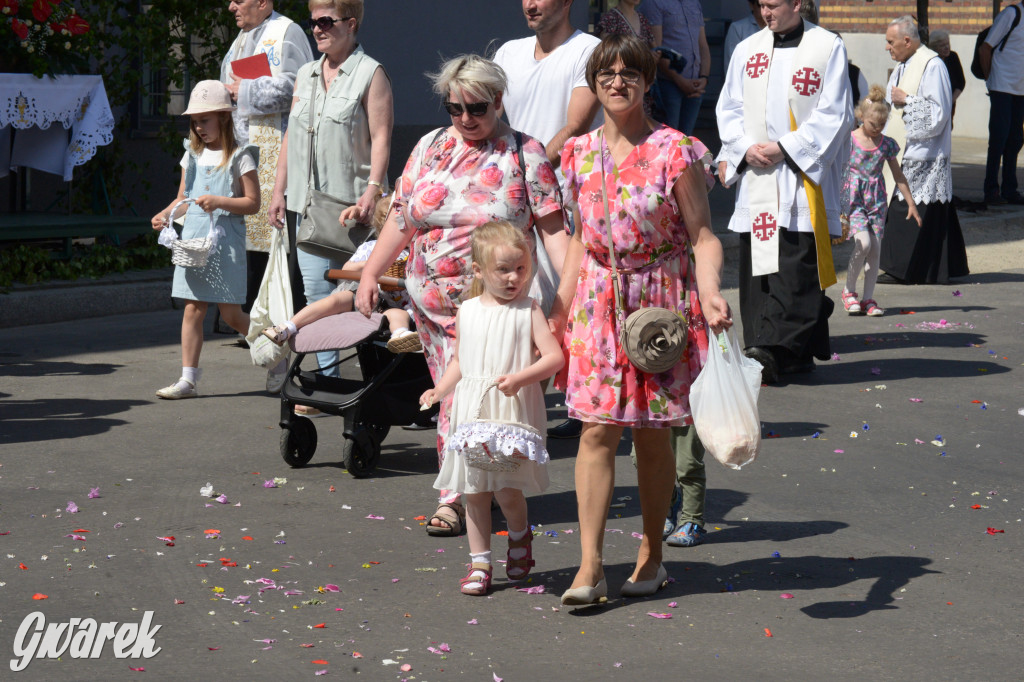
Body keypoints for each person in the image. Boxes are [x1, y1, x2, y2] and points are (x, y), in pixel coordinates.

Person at [354, 55, 568, 538]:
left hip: (500, 306)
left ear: (498, 101)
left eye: (476, 108)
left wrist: (563, 304)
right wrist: (371, 272)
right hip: (433, 305)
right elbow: (402, 218)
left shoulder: (523, 152)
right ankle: (478, 488)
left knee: (471, 397)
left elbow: (556, 233)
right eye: (454, 108)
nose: (465, 119)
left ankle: (458, 496)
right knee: (464, 396)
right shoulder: (430, 145)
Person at [550, 34, 731, 605]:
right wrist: (560, 306)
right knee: (597, 429)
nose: (618, 81)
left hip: (659, 305)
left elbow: (702, 236)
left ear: (649, 82)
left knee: (652, 437)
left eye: (631, 72)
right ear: (595, 82)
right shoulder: (577, 154)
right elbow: (580, 239)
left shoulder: (675, 149)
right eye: (607, 72)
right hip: (599, 302)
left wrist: (711, 294)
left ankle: (652, 553)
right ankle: (590, 566)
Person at [421, 222, 564, 596]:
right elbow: (459, 361)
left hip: (510, 411)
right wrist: (439, 390)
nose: (514, 277)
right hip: (472, 411)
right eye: (504, 269)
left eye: (521, 268)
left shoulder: (528, 310)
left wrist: (521, 378)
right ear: (479, 271)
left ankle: (519, 536)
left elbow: (554, 357)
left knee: (507, 490)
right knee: (474, 492)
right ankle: (480, 563)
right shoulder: (467, 310)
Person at [716, 0, 852, 384]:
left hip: (798, 176)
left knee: (795, 267)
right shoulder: (748, 48)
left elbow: (836, 112)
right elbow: (729, 107)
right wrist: (744, 147)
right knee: (760, 270)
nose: (765, 13)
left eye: (773, 5)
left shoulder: (827, 46)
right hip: (758, 174)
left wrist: (786, 148)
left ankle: (773, 352)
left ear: (797, 3)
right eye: (761, 5)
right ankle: (778, 350)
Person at [267, 0, 393, 390]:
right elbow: (291, 133)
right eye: (313, 21)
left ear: (350, 24)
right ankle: (326, 384)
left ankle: (385, 385)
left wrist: (372, 191)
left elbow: (382, 136)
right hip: (309, 209)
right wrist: (277, 190)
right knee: (317, 295)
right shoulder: (305, 73)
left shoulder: (371, 73)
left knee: (369, 300)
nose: (317, 29)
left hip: (355, 210)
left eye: (326, 21)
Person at [494, 0, 602, 441]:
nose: (530, 4)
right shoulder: (507, 53)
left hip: (564, 201)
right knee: (519, 311)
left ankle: (583, 402)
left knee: (567, 304)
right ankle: (511, 413)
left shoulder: (588, 51)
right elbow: (491, 118)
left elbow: (576, 125)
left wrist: (528, 168)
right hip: (512, 200)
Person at [151, 81, 260, 399]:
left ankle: (274, 353)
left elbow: (252, 203)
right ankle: (188, 380)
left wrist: (220, 201)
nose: (199, 127)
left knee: (231, 315)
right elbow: (182, 197)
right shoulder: (191, 155)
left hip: (226, 245)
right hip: (194, 243)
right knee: (192, 309)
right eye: (195, 121)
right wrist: (164, 214)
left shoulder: (241, 156)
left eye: (205, 120)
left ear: (224, 118)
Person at [220, 0, 313, 331]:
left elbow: (301, 86)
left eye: (238, 0)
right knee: (247, 234)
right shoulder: (241, 38)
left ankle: (285, 313)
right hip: (246, 152)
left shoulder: (287, 33)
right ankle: (252, 314)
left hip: (278, 152)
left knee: (278, 237)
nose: (231, 7)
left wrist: (243, 91)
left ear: (263, 2)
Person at [262, 195, 420, 358]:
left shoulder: (419, 249)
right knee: (336, 299)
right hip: (363, 295)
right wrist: (370, 265)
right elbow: (346, 270)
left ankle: (400, 335)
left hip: (391, 305)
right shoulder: (371, 248)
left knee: (397, 315)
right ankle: (288, 327)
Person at [878, 15, 969, 285]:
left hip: (922, 153)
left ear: (907, 40)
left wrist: (906, 99)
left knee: (910, 211)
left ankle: (906, 270)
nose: (887, 47)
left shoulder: (933, 65)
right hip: (900, 151)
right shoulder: (901, 66)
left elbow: (939, 113)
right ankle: (926, 268)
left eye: (890, 42)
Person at [841, 85, 922, 318]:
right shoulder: (849, 140)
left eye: (881, 125)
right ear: (861, 117)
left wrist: (911, 204)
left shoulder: (886, 144)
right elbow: (838, 171)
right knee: (863, 244)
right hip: (853, 201)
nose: (877, 129)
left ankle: (868, 298)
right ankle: (848, 291)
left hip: (876, 201)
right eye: (872, 124)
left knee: (875, 249)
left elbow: (898, 175)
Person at [641, 0, 711, 135]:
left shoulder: (694, 3)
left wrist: (704, 77)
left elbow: (703, 44)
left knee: (686, 139)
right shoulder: (654, 3)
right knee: (667, 138)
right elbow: (657, 50)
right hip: (668, 84)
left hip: (695, 83)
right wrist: (680, 80)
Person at [978, 1, 1024, 204]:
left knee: (1015, 139)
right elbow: (985, 48)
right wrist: (990, 80)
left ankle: (1009, 189)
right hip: (1002, 87)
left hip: (1020, 90)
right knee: (999, 139)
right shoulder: (1012, 14)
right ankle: (991, 190)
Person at [596, 0, 657, 116]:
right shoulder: (610, 19)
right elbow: (605, 52)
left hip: (640, 83)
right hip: (621, 83)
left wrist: (654, 55)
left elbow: (654, 46)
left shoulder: (642, 18)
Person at [928, 29, 964, 127]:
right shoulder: (931, 61)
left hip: (949, 104)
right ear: (934, 48)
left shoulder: (953, 57)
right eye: (942, 45)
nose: (947, 47)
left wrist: (950, 102)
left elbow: (961, 83)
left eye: (948, 44)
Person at [724, 0, 766, 70]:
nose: (765, 9)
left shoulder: (776, 29)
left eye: (769, 5)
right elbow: (731, 63)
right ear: (751, 5)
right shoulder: (738, 28)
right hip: (745, 76)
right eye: (760, 5)